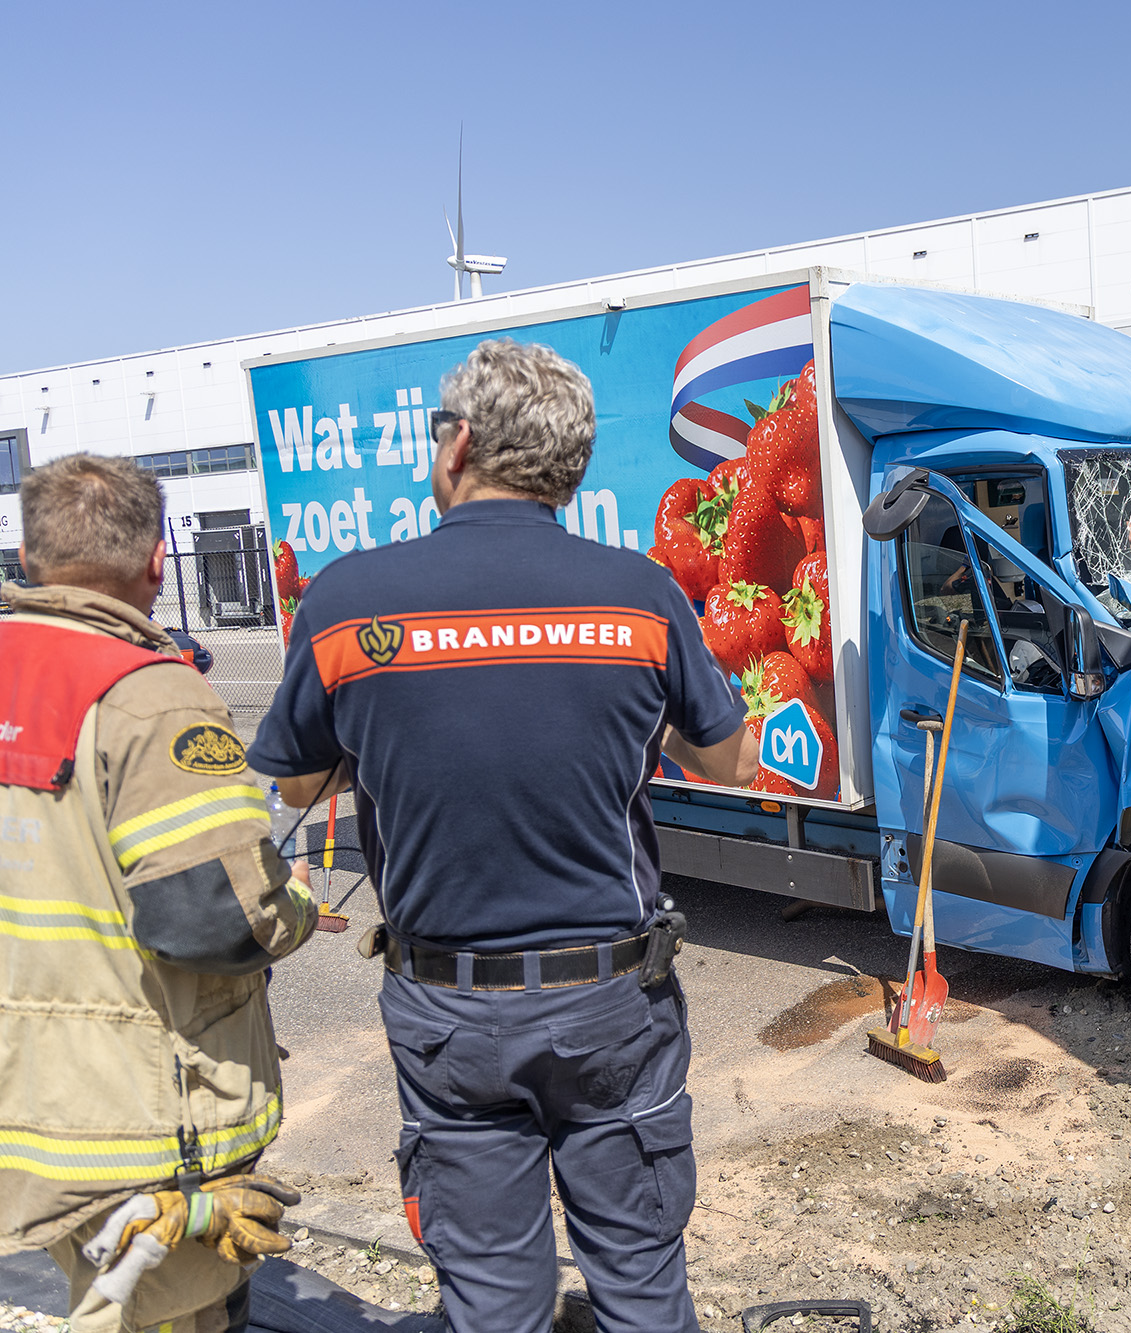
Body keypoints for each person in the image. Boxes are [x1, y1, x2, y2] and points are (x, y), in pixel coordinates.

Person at [248, 339, 756, 1333]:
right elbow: (730, 763)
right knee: (644, 1287)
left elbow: (301, 782)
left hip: (451, 1015)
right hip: (615, 1004)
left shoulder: (349, 600)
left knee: (492, 1303)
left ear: (459, 446)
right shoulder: (640, 594)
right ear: (566, 467)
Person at [0, 453, 318, 1333]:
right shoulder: (153, 697)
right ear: (154, 562)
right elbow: (217, 915)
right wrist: (290, 909)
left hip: (27, 1101)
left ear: (26, 558)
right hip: (138, 1124)